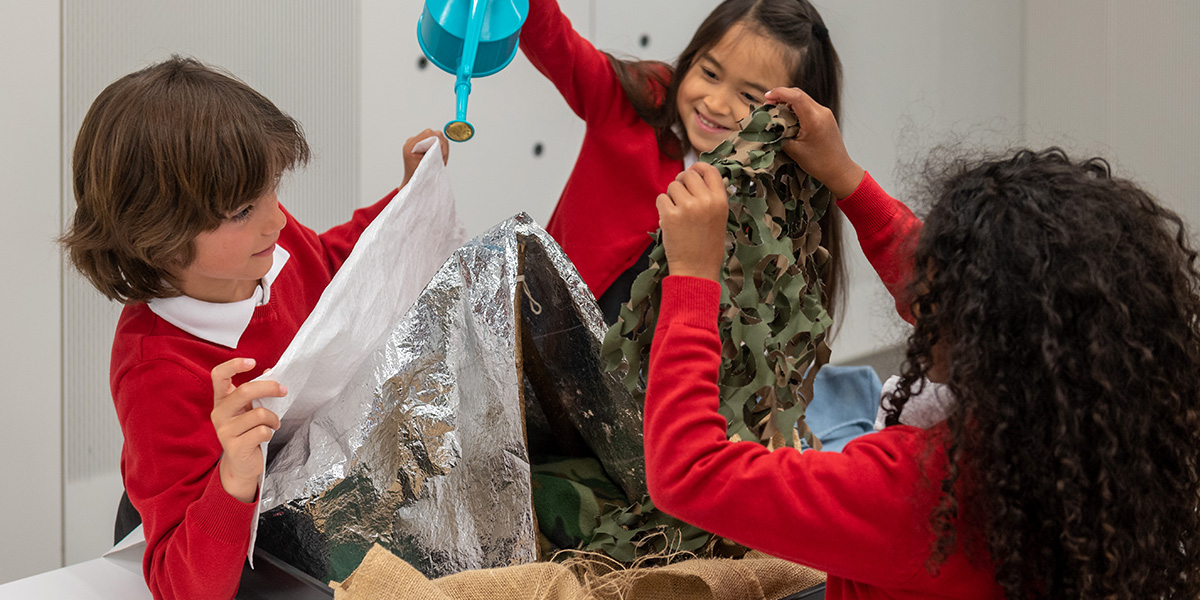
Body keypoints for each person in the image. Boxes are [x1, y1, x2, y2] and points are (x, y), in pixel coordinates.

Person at [643, 87, 1200, 598]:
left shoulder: (915, 495)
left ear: (976, 330)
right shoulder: (1108, 432)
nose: (919, 298)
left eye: (935, 296)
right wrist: (848, 180)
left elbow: (689, 472)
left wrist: (693, 278)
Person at [60, 56, 448, 600]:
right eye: (243, 209)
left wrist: (407, 196)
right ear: (158, 235)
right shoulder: (157, 371)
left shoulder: (270, 253)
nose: (278, 220)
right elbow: (179, 582)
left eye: (272, 188)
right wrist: (234, 478)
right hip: (208, 530)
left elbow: (343, 267)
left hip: (292, 505)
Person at [520, 0, 845, 324]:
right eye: (710, 73)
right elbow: (555, 43)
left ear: (789, 120)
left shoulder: (780, 204)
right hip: (551, 327)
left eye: (749, 97)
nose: (716, 103)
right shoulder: (635, 102)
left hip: (668, 367)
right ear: (692, 58)